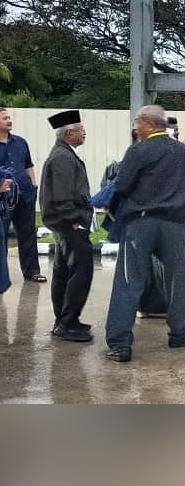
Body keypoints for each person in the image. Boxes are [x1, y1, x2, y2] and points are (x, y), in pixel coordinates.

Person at [104, 105, 185, 363]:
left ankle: (120, 344)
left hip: (141, 224)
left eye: (137, 123)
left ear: (149, 124)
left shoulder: (138, 151)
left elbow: (122, 185)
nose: (135, 128)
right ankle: (179, 333)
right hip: (175, 224)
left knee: (129, 281)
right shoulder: (184, 153)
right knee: (178, 279)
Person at [38, 110, 95, 343]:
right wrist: (75, 221)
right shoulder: (63, 157)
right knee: (81, 271)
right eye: (81, 129)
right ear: (69, 133)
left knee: (63, 272)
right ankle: (67, 323)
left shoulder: (63, 153)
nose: (84, 133)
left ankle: (63, 319)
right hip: (70, 224)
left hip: (63, 224)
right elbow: (62, 196)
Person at [0, 107, 46, 283]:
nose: (9, 120)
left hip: (25, 196)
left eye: (9, 117)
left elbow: (28, 165)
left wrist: (33, 185)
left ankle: (32, 271)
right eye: (5, 118)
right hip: (3, 199)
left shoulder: (20, 142)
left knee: (28, 234)